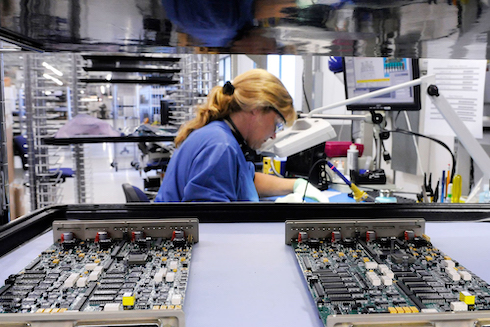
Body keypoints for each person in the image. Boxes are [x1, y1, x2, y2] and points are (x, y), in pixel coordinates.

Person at [154, 68, 299, 202]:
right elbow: (212, 223)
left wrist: (296, 185)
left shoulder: (222, 135)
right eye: (277, 124)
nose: (274, 135)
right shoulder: (221, 147)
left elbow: (247, 180)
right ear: (257, 108)